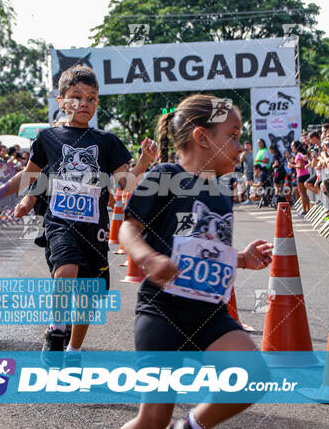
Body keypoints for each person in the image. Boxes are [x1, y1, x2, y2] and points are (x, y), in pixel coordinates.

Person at [0, 64, 158, 356]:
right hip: (60, 223)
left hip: (95, 228)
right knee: (67, 269)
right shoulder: (48, 139)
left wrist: (144, 161)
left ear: (97, 102)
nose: (84, 103)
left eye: (91, 97)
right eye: (76, 96)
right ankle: (56, 328)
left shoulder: (107, 142)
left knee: (88, 297)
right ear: (61, 101)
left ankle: (73, 350)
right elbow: (28, 176)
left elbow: (126, 181)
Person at [119, 94, 273, 429]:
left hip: (208, 313)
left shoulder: (221, 193)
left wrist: (243, 259)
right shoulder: (164, 176)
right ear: (202, 137)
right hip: (162, 310)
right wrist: (148, 257)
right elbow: (127, 229)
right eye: (232, 135)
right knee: (153, 418)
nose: (241, 144)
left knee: (254, 375)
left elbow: (208, 250)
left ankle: (190, 427)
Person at [290, 140, 310, 217]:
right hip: (305, 174)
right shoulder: (301, 154)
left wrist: (293, 165)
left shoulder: (298, 155)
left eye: (293, 146)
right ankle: (307, 209)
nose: (292, 148)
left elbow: (301, 166)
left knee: (302, 194)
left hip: (301, 175)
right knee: (305, 194)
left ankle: (305, 210)